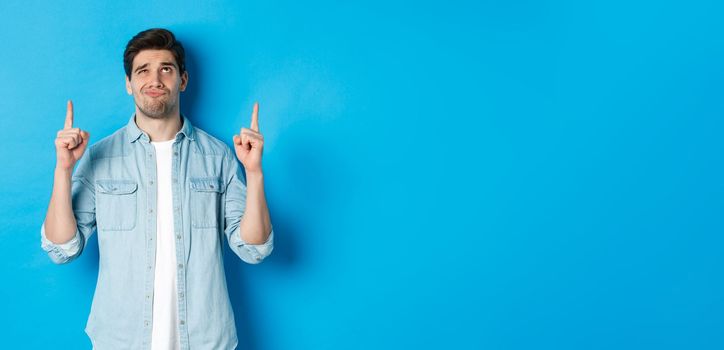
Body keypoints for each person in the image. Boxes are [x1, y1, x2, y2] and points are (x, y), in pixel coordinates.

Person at [40, 28, 274, 349]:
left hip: (205, 340)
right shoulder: (100, 157)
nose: (155, 79)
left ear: (183, 80)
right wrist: (63, 170)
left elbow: (253, 248)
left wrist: (255, 172)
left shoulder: (218, 156)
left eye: (166, 68)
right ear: (128, 83)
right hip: (121, 341)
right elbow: (62, 248)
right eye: (143, 70)